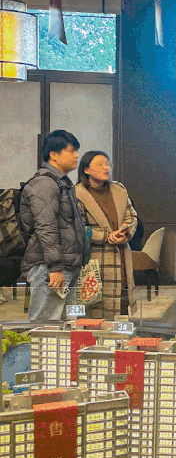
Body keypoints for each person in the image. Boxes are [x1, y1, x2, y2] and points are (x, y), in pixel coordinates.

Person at [20, 130, 90, 321]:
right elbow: (46, 227)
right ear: (54, 154)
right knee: (45, 325)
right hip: (50, 267)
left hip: (65, 264)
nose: (76, 156)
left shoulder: (60, 182)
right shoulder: (44, 183)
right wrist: (55, 268)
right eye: (71, 151)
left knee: (68, 324)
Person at [75, 151, 138, 318]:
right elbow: (77, 229)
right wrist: (106, 237)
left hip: (121, 256)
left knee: (120, 309)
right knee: (94, 310)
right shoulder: (77, 194)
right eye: (100, 164)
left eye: (107, 164)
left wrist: (126, 234)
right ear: (86, 170)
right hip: (94, 259)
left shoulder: (119, 189)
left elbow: (132, 217)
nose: (106, 168)